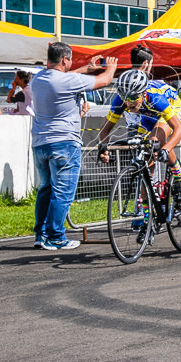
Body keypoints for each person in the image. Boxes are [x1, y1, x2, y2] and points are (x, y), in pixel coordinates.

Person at [30, 42, 118, 250]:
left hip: (40, 142)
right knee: (63, 191)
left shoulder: (38, 78)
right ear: (64, 60)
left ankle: (41, 234)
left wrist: (86, 68)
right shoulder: (68, 81)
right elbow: (104, 81)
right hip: (64, 142)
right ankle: (56, 236)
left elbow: (62, 78)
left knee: (46, 188)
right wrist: (111, 67)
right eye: (69, 60)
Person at [96, 69, 181, 201]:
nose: (129, 102)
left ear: (143, 93)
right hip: (149, 115)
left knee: (155, 139)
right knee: (145, 155)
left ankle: (179, 174)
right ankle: (146, 212)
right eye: (125, 98)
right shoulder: (121, 100)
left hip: (172, 107)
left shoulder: (156, 98)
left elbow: (180, 129)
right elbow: (105, 129)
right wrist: (103, 147)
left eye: (133, 97)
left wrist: (166, 149)